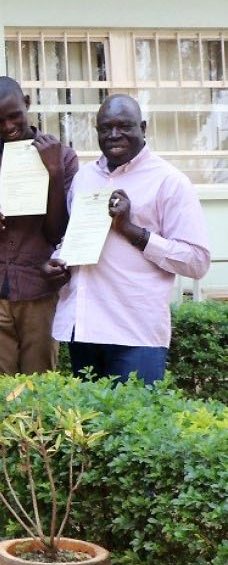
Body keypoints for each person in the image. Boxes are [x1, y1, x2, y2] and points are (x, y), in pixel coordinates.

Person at [44, 95, 209, 385]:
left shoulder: (169, 182)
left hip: (135, 333)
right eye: (105, 128)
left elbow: (196, 262)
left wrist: (132, 230)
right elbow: (76, 240)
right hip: (84, 330)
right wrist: (59, 265)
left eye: (124, 126)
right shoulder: (84, 179)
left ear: (143, 127)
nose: (113, 135)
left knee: (132, 428)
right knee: (87, 429)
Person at [0, 77, 77, 376]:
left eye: (14, 114)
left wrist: (53, 172)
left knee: (39, 384)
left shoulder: (63, 156)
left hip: (39, 286)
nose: (8, 125)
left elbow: (58, 233)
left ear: (27, 103)